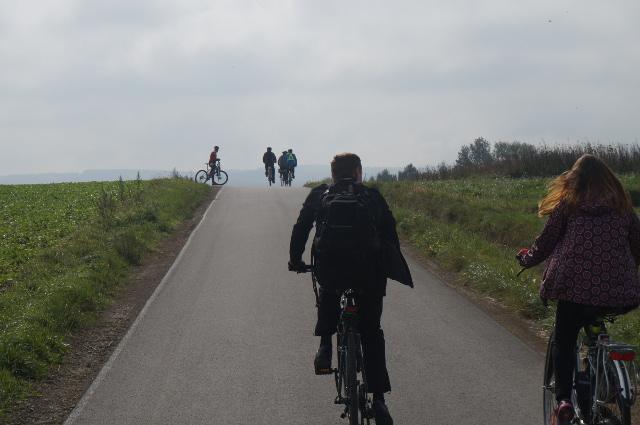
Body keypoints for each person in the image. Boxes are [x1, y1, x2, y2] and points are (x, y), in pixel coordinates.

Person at [288, 153, 413, 425]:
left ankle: (325, 347)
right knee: (371, 332)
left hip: (331, 270)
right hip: (368, 275)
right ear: (358, 172)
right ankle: (378, 400)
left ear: (333, 174)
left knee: (329, 290)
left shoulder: (321, 194)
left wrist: (295, 260)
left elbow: (301, 227)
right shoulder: (371, 196)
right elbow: (390, 234)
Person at [516, 154, 640, 425]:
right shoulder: (623, 208)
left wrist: (526, 259)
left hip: (573, 291)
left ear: (576, 179)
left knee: (564, 340)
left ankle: (564, 401)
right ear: (609, 179)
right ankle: (605, 380)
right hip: (617, 293)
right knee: (596, 325)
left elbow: (545, 243)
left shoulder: (569, 205)